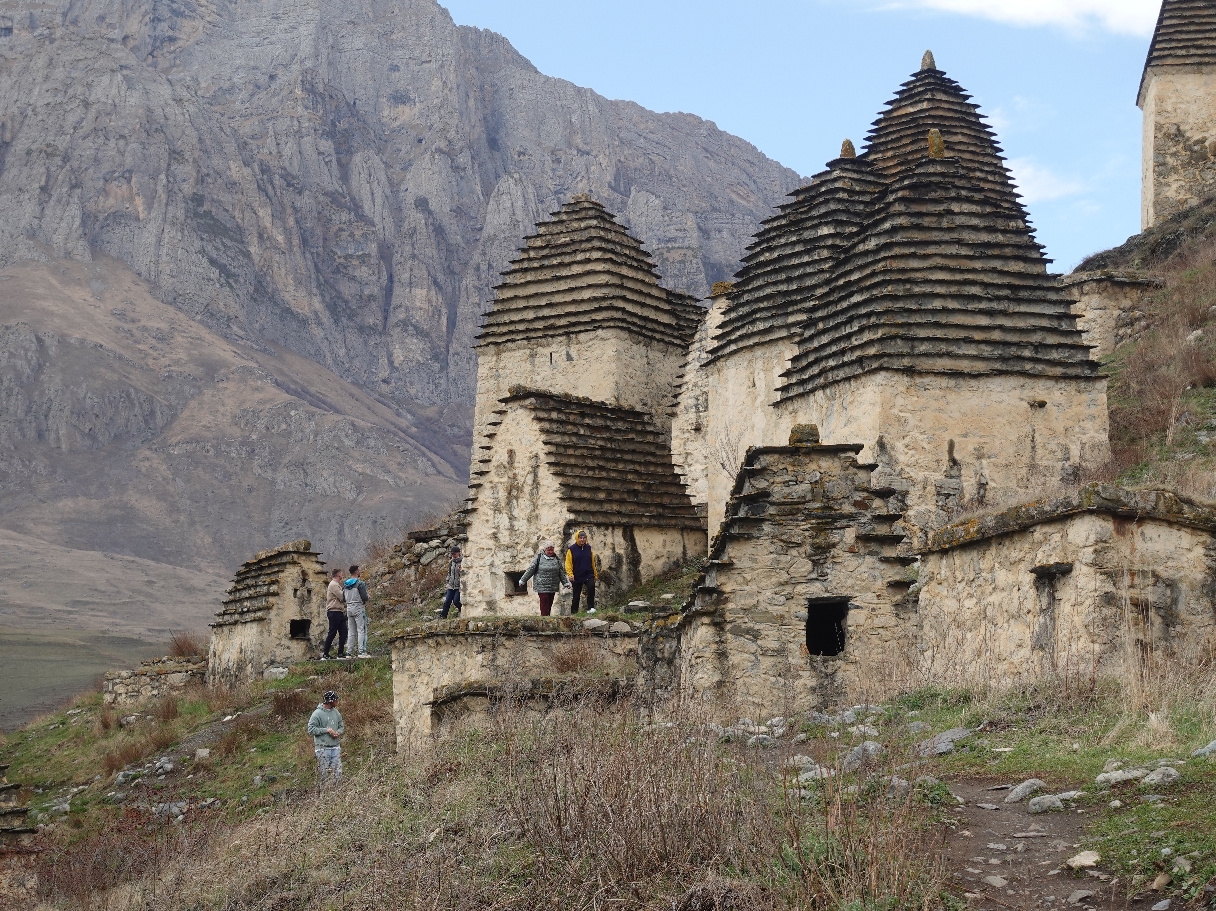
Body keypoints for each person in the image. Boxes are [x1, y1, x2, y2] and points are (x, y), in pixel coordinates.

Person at [518, 540, 569, 617]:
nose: (550, 552)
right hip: (541, 585)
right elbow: (530, 570)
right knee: (544, 600)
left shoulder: (556, 559)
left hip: (552, 585)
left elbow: (561, 572)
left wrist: (565, 583)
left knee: (550, 602)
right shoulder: (539, 558)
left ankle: (547, 617)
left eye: (552, 550)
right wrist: (522, 580)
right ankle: (544, 618)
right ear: (545, 550)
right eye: (549, 550)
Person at [307, 690, 344, 786]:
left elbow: (341, 726)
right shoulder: (317, 713)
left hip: (335, 746)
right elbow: (311, 729)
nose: (337, 702)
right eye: (336, 700)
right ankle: (323, 793)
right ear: (330, 701)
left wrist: (338, 732)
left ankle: (337, 792)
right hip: (322, 748)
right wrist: (326, 730)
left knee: (338, 771)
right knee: (323, 773)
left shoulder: (336, 712)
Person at [564, 530, 598, 615]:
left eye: (584, 538)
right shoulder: (572, 549)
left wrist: (595, 575)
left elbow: (592, 562)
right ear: (577, 538)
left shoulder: (588, 548)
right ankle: (574, 613)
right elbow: (568, 563)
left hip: (588, 574)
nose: (582, 539)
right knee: (576, 596)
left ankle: (591, 608)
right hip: (577, 575)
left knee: (591, 588)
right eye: (580, 538)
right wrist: (570, 574)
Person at [343, 565, 370, 658]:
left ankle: (349, 652)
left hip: (349, 608)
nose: (360, 572)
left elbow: (343, 598)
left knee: (351, 631)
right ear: (356, 571)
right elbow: (364, 597)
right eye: (359, 570)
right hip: (358, 608)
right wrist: (368, 597)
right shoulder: (360, 583)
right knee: (361, 629)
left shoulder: (345, 584)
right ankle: (361, 652)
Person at [321, 568, 347, 660]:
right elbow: (342, 597)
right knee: (332, 632)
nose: (342, 575)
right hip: (334, 611)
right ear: (338, 575)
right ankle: (325, 653)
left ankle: (340, 653)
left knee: (344, 632)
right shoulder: (333, 585)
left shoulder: (337, 585)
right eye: (341, 574)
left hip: (339, 611)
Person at [437, 546, 463, 619]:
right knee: (447, 601)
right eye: (452, 554)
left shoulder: (463, 561)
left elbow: (466, 573)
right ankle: (443, 616)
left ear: (459, 553)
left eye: (454, 554)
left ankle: (463, 611)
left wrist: (462, 570)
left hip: (459, 586)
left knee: (456, 601)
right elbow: (449, 573)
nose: (453, 555)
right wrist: (448, 582)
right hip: (451, 585)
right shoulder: (451, 562)